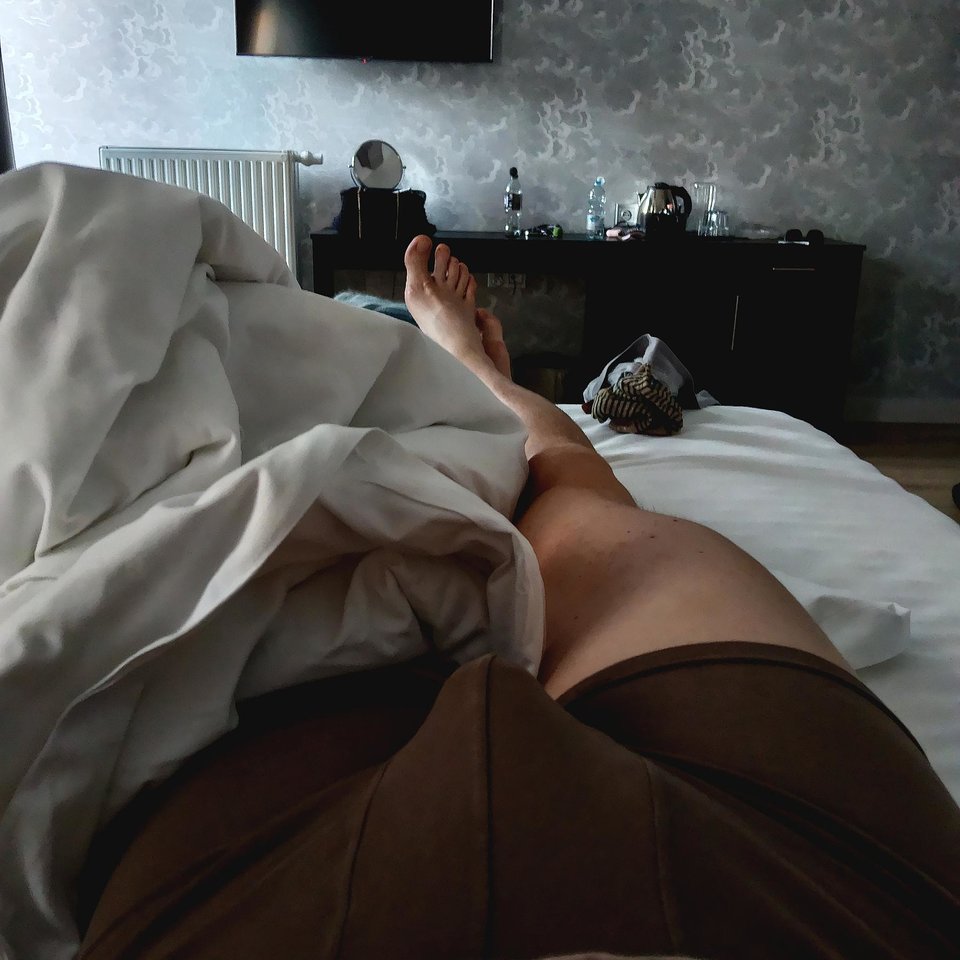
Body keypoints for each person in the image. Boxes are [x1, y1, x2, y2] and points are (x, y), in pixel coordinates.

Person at [79, 238, 960, 960]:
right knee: (569, 490)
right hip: (824, 891)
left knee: (378, 549)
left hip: (246, 891)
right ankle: (479, 379)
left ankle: (464, 379)